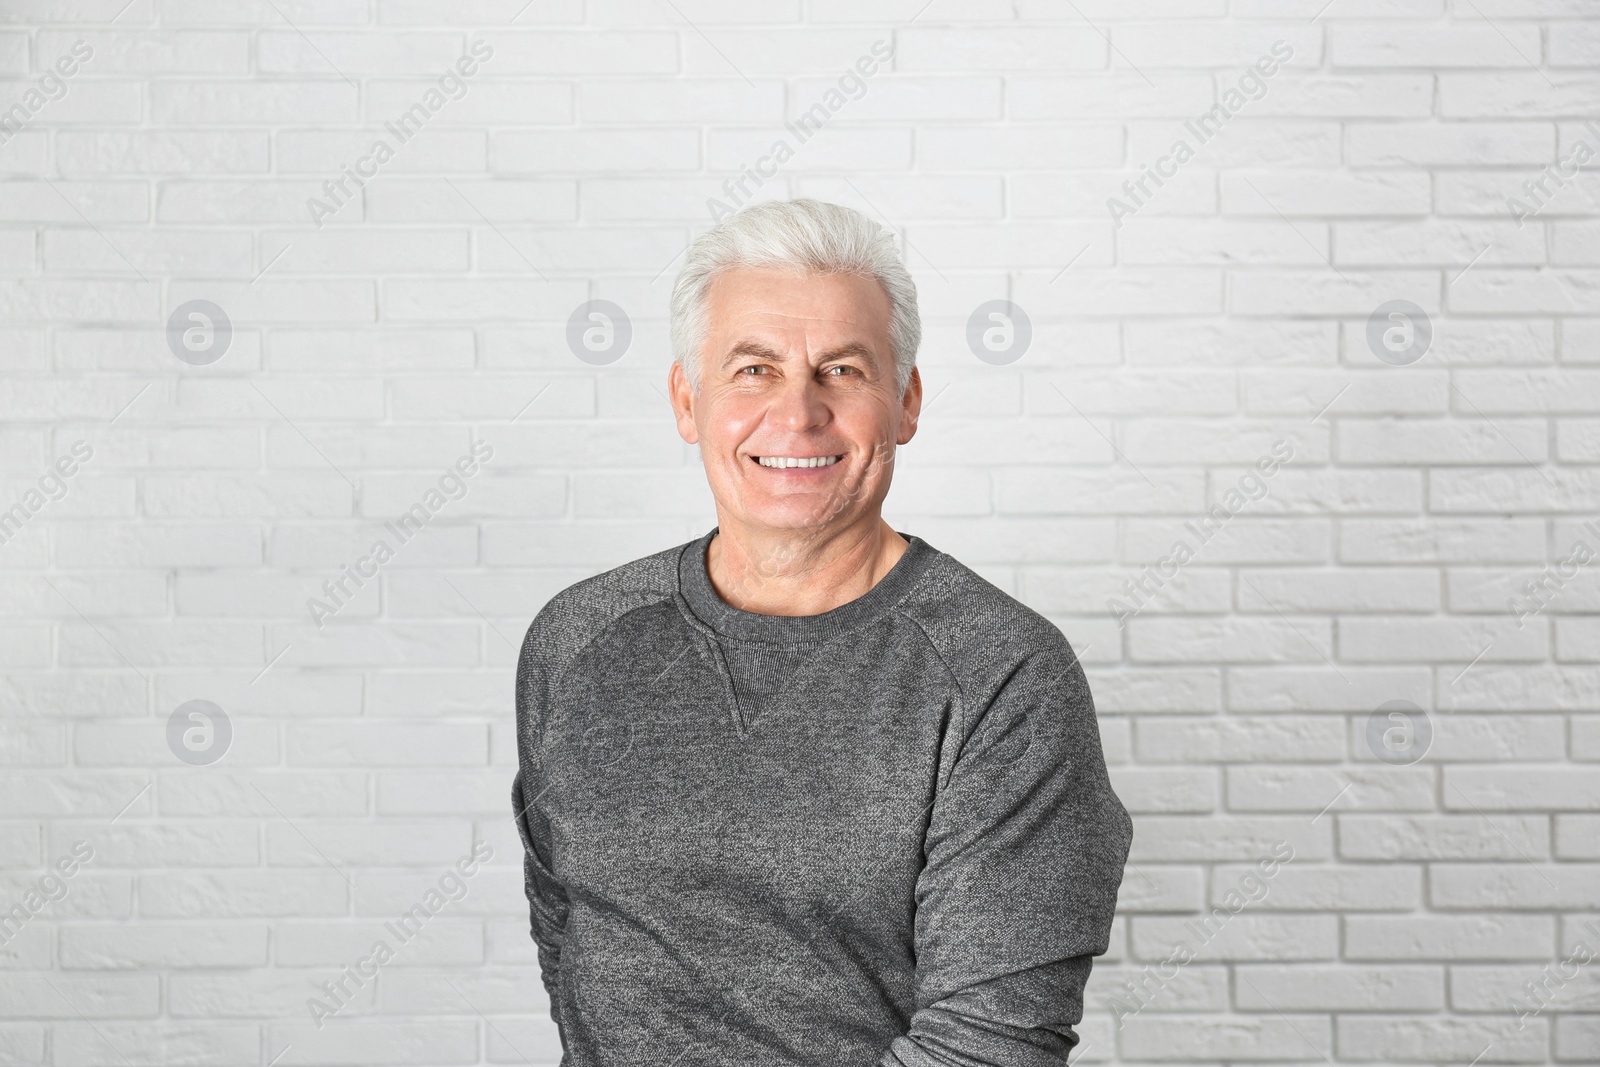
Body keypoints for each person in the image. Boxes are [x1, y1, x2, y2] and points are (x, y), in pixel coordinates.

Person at [511, 197, 1132, 1066]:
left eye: (841, 370)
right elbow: (569, 940)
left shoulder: (1004, 674)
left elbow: (988, 1047)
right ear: (688, 401)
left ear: (906, 402)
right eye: (753, 370)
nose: (798, 414)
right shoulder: (579, 639)